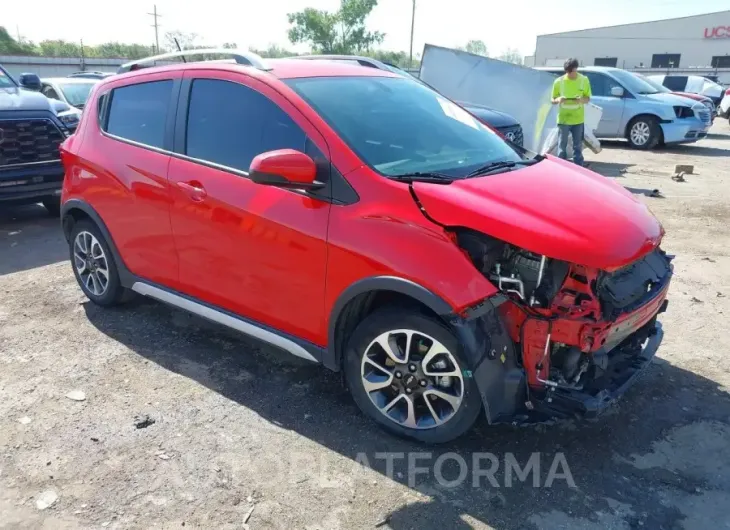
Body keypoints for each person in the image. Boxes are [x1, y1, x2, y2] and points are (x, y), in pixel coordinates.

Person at [551, 58, 591, 166]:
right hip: (563, 119)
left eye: (571, 71)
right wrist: (558, 100)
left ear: (576, 69)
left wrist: (581, 100)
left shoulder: (584, 80)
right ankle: (560, 168)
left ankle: (578, 168)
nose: (569, 74)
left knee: (577, 146)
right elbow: (552, 100)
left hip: (578, 119)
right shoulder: (559, 82)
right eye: (567, 72)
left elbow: (587, 99)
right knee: (561, 146)